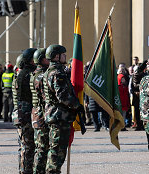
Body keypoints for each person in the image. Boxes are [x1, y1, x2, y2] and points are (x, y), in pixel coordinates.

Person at [43, 44, 84, 173]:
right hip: (59, 117)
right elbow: (62, 96)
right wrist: (77, 105)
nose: (65, 56)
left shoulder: (52, 71)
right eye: (63, 54)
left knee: (56, 151)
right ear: (56, 56)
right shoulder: (57, 73)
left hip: (57, 116)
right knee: (57, 153)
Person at [15, 48, 37, 174]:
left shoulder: (22, 73)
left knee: (25, 146)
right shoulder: (27, 74)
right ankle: (25, 171)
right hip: (25, 113)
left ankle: (24, 170)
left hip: (23, 113)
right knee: (28, 146)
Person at [29, 48, 50, 173]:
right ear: (42, 59)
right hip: (41, 113)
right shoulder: (40, 75)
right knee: (42, 147)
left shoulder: (36, 73)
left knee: (41, 147)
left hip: (37, 112)